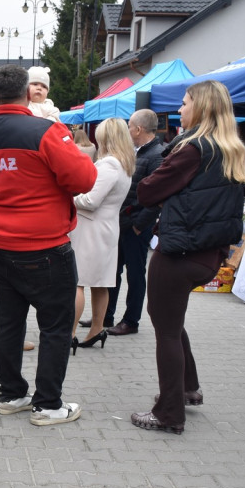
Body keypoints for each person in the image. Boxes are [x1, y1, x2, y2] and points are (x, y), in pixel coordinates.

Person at [0, 64, 97, 426]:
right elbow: (86, 178)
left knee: (10, 321)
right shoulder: (45, 132)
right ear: (29, 94)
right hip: (43, 245)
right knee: (55, 325)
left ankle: (11, 394)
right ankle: (47, 404)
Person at [133, 80, 245, 435]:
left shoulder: (194, 148)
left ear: (201, 108)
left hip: (180, 250)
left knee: (165, 329)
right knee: (172, 321)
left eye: (184, 104)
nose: (180, 109)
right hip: (209, 252)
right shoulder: (230, 148)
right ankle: (188, 389)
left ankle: (169, 412)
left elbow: (148, 190)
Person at [70, 118, 135, 351]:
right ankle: (96, 330)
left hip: (91, 229)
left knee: (77, 281)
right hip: (106, 228)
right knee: (100, 283)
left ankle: (70, 332)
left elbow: (91, 200)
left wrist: (69, 200)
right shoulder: (125, 163)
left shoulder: (109, 164)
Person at [103, 109, 164, 336]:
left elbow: (157, 195)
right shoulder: (136, 153)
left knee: (135, 275)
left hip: (136, 226)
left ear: (137, 129)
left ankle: (131, 320)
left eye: (130, 127)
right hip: (123, 223)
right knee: (113, 271)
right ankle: (105, 315)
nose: (128, 131)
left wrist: (140, 224)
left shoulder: (157, 155)